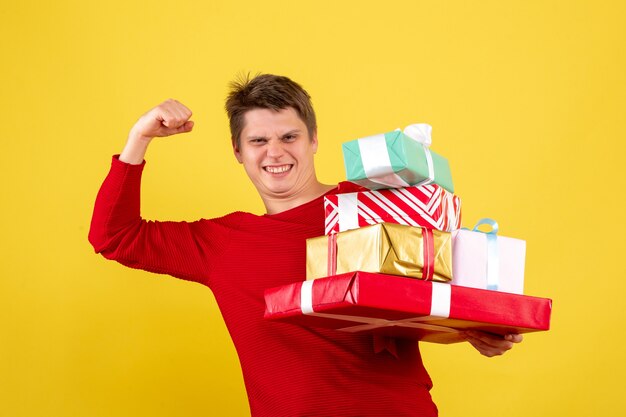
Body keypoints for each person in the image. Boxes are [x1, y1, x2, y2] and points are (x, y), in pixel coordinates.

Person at [89, 74, 522, 417]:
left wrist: (474, 329)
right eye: (258, 140)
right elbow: (114, 235)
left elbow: (438, 276)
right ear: (238, 151)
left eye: (289, 137)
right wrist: (138, 138)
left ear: (313, 140)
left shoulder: (371, 203)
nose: (275, 152)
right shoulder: (220, 244)